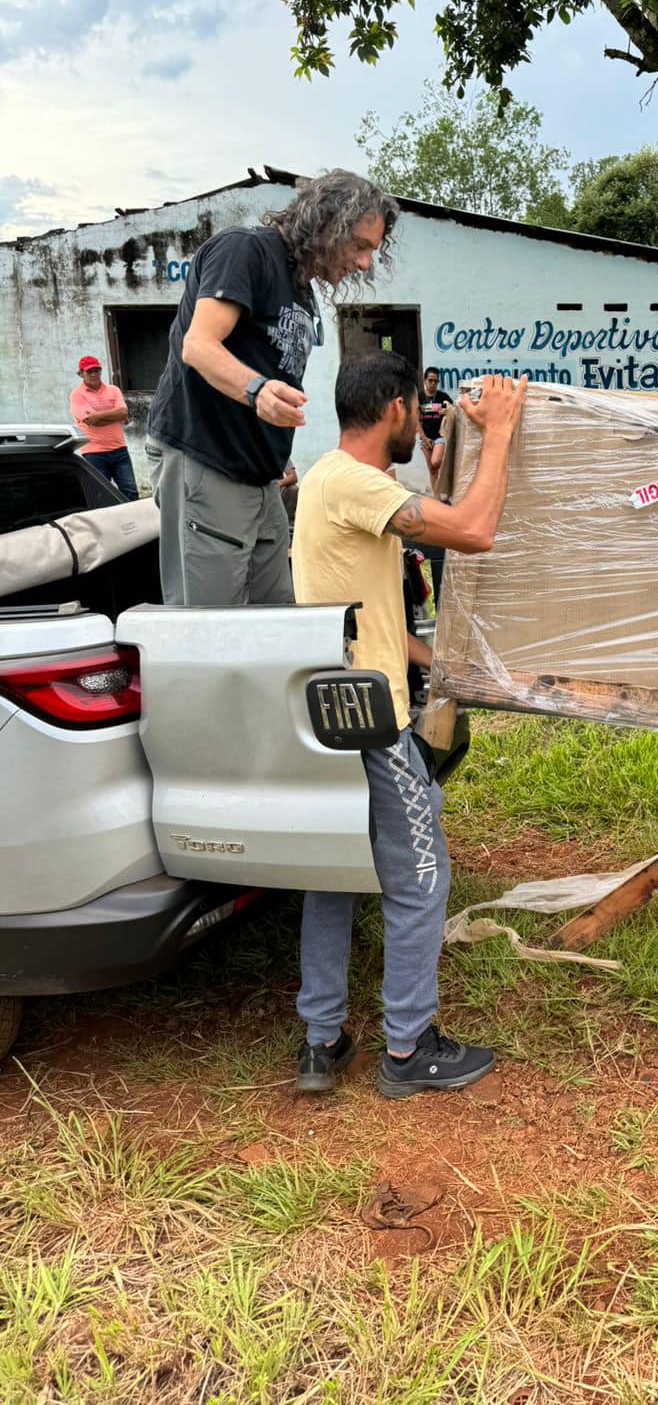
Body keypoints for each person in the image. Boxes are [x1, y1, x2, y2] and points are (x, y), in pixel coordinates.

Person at [291, 354, 526, 1098]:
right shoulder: (354, 482)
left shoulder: (336, 482)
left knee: (331, 874)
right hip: (370, 716)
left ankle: (322, 1039)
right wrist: (501, 434)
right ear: (394, 407)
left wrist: (452, 662)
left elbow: (372, 615)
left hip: (328, 706)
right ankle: (408, 1050)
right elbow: (475, 531)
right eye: (415, 416)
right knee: (422, 878)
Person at [146, 170, 397, 606]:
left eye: (371, 251)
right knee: (209, 632)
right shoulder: (246, 250)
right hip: (207, 460)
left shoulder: (299, 286)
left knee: (275, 624)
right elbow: (199, 345)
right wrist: (258, 390)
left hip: (263, 480)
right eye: (359, 245)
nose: (363, 263)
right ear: (325, 223)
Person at [68, 356, 138, 500]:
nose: (94, 374)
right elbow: (91, 421)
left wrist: (100, 416)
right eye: (89, 371)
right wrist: (116, 415)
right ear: (80, 374)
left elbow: (123, 413)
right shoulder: (76, 395)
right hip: (94, 453)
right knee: (101, 496)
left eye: (97, 370)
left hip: (120, 450)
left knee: (131, 492)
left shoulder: (113, 390)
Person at [418, 366, 454, 442]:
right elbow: (415, 420)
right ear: (424, 381)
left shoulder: (444, 396)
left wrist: (448, 412)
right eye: (430, 380)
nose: (433, 383)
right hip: (423, 439)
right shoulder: (419, 397)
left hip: (441, 438)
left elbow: (455, 411)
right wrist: (424, 438)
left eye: (436, 381)